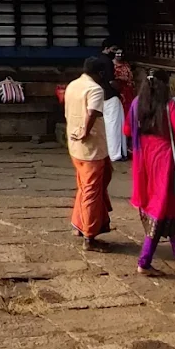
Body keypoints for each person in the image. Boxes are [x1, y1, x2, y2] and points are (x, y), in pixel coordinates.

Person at [125, 68, 175, 275]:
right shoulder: (170, 107)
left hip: (143, 160)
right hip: (165, 160)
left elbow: (127, 130)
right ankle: (144, 261)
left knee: (167, 203)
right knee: (160, 206)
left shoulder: (136, 104)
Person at [65, 55, 112, 250]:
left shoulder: (73, 85)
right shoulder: (95, 89)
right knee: (91, 190)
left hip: (75, 145)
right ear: (100, 73)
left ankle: (80, 223)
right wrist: (85, 131)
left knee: (85, 186)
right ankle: (89, 236)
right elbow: (92, 112)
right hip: (91, 147)